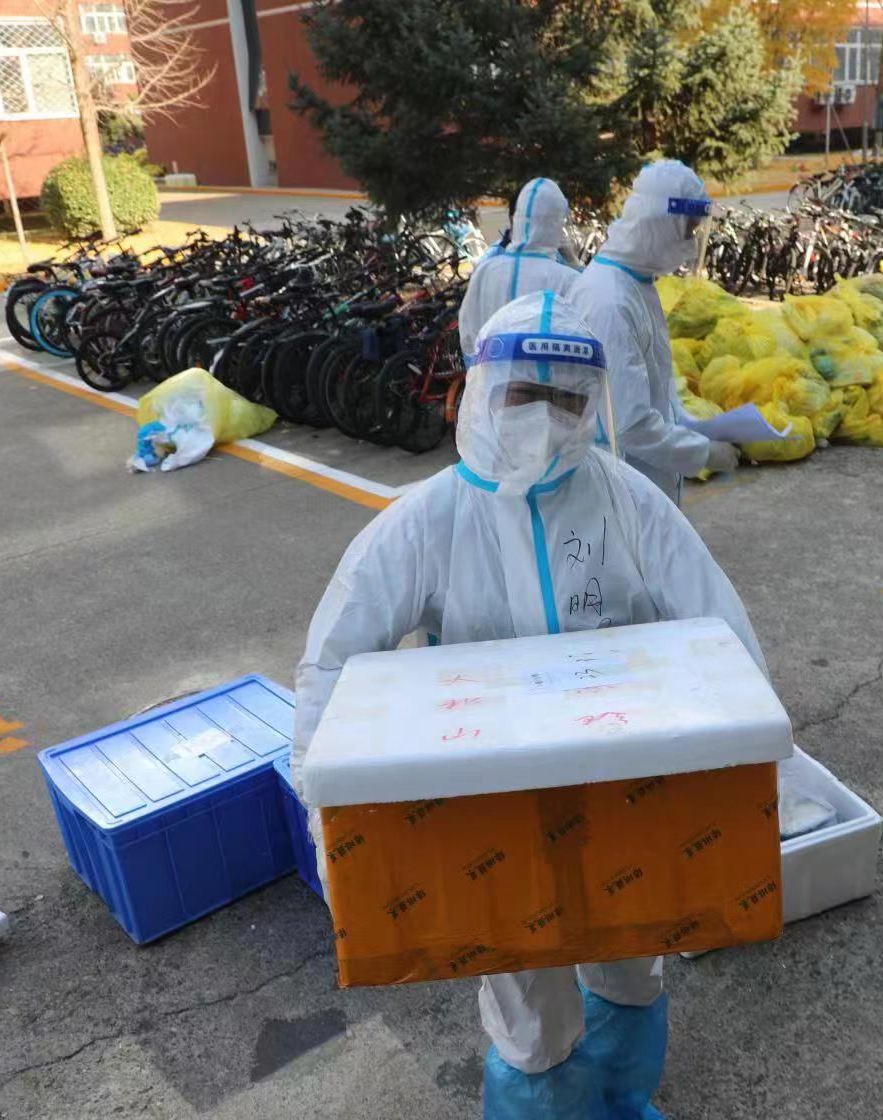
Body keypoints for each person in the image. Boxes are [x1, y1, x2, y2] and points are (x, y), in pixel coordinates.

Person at [292, 290, 767, 1119]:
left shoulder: (626, 502)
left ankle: (622, 1098)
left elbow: (719, 624)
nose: (546, 419)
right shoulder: (428, 521)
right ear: (481, 391)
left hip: (624, 783)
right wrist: (325, 811)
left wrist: (754, 767)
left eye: (568, 400)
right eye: (524, 394)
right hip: (493, 803)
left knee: (631, 953)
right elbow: (333, 660)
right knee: (527, 997)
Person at [568, 160, 740, 505]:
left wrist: (694, 427)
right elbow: (631, 426)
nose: (690, 244)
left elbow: (654, 386)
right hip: (623, 488)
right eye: (687, 231)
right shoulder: (609, 300)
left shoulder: (635, 282)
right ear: (659, 224)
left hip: (647, 481)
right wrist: (703, 453)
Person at [458, 178, 580, 359]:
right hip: (544, 377)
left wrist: (481, 368)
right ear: (556, 224)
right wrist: (574, 263)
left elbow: (468, 336)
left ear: (518, 219)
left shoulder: (486, 271)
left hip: (487, 375)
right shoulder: (567, 279)